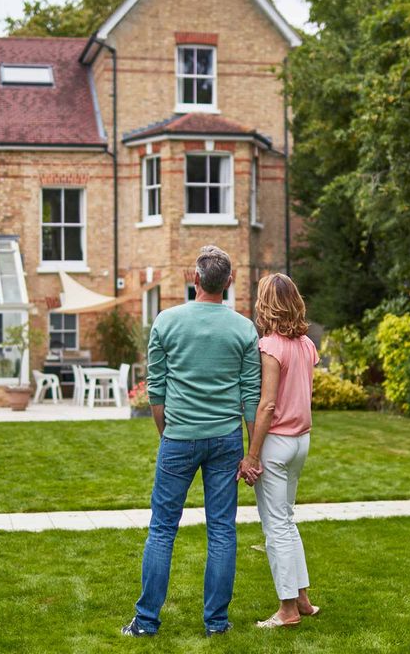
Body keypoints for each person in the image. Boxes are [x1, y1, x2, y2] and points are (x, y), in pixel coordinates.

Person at [121, 245, 261, 638]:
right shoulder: (243, 328)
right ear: (228, 283)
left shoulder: (166, 321)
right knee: (222, 530)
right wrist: (252, 451)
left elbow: (157, 390)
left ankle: (146, 622)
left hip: (179, 438)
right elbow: (251, 395)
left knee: (163, 528)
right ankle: (216, 623)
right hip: (225, 439)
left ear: (194, 279)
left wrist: (167, 433)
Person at [238, 272, 320, 629]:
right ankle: (302, 599)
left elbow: (267, 405)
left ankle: (287, 609)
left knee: (276, 528)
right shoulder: (306, 345)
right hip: (301, 441)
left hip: (277, 444)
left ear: (266, 304)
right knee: (287, 520)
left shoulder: (270, 346)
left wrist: (252, 455)